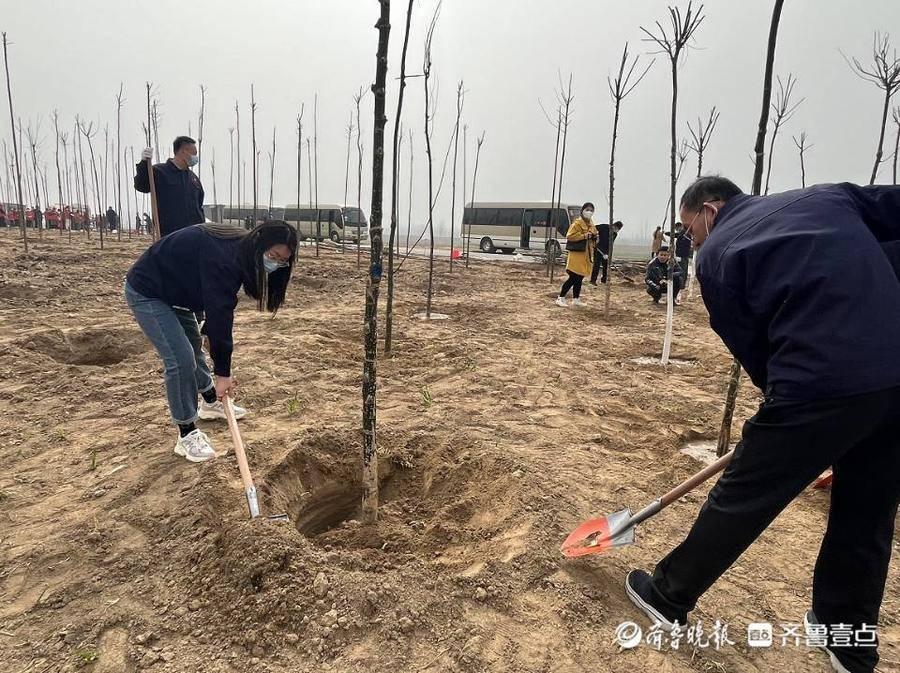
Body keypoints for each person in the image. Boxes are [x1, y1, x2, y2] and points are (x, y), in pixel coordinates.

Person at [624, 176, 900, 673]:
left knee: (746, 494)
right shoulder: (827, 196)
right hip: (896, 377)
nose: (692, 242)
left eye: (689, 231)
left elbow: (752, 347)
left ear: (710, 210)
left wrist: (784, 406)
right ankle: (847, 638)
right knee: (869, 509)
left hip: (818, 378)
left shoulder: (718, 254)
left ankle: (668, 595)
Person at [125, 220, 297, 461]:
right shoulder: (226, 255)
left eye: (282, 261)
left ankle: (209, 402)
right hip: (149, 291)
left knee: (193, 346)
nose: (275, 263)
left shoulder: (242, 251)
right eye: (273, 255)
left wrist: (208, 328)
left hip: (178, 294)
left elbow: (215, 297)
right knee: (181, 359)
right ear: (259, 242)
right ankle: (186, 433)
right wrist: (223, 374)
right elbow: (221, 312)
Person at [134, 136, 204, 237]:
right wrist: (144, 163)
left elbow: (199, 206)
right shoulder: (160, 172)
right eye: (194, 154)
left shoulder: (194, 180)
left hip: (194, 236)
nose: (196, 158)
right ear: (184, 152)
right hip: (169, 236)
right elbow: (141, 185)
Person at [555, 202, 597, 307]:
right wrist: (583, 236)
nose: (589, 212)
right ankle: (561, 297)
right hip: (577, 255)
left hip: (586, 255)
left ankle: (576, 299)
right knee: (573, 277)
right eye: (587, 209)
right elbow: (570, 236)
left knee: (580, 278)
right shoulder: (577, 223)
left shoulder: (591, 224)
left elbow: (594, 236)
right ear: (582, 210)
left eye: (591, 210)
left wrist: (595, 237)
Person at [590, 220, 623, 285]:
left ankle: (604, 280)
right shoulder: (604, 227)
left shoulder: (614, 234)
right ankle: (593, 281)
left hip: (606, 252)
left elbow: (610, 244)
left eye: (618, 230)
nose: (616, 230)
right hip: (598, 249)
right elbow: (593, 228)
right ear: (613, 225)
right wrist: (595, 236)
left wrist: (608, 254)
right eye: (616, 228)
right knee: (596, 265)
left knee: (606, 266)